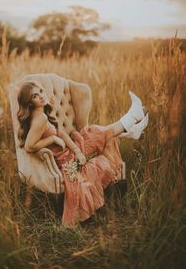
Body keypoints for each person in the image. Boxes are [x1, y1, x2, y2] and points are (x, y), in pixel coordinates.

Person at [17, 81, 149, 228]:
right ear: (29, 103)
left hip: (71, 153)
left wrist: (77, 150)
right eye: (35, 96)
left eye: (41, 91)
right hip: (67, 162)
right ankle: (131, 122)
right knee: (100, 133)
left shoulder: (43, 115)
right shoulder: (40, 119)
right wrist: (52, 139)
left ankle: (130, 128)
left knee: (95, 132)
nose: (41, 96)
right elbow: (29, 146)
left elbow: (61, 133)